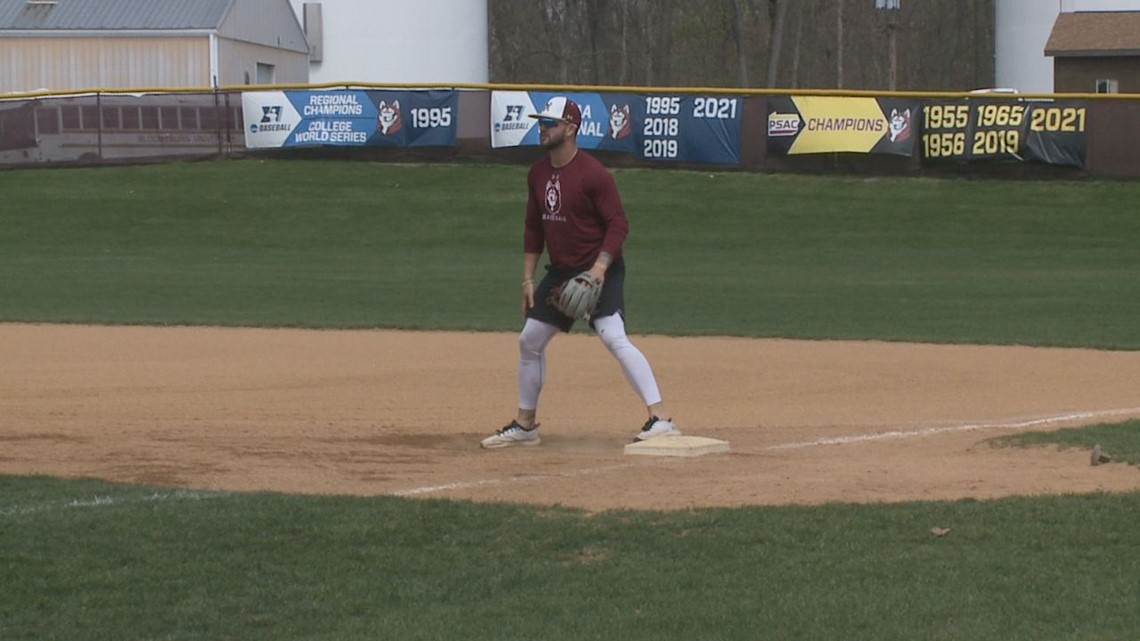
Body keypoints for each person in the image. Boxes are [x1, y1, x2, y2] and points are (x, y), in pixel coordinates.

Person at [481, 97, 680, 449]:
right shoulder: (538, 173)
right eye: (541, 122)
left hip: (599, 268)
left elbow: (618, 224)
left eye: (550, 123)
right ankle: (526, 426)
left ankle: (660, 417)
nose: (542, 128)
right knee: (529, 341)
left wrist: (599, 269)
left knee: (612, 336)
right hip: (560, 271)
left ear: (571, 129)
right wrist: (527, 280)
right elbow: (533, 228)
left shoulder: (593, 174)